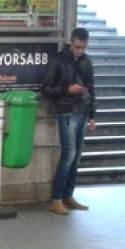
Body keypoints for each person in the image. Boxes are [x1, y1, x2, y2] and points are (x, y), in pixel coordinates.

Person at [41, 27, 96, 215]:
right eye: (77, 46)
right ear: (71, 42)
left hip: (82, 111)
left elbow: (92, 89)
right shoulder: (57, 59)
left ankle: (67, 195)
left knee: (76, 156)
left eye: (83, 47)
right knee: (69, 155)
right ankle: (56, 198)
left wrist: (93, 116)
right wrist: (67, 90)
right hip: (65, 111)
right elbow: (46, 88)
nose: (80, 50)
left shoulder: (87, 62)